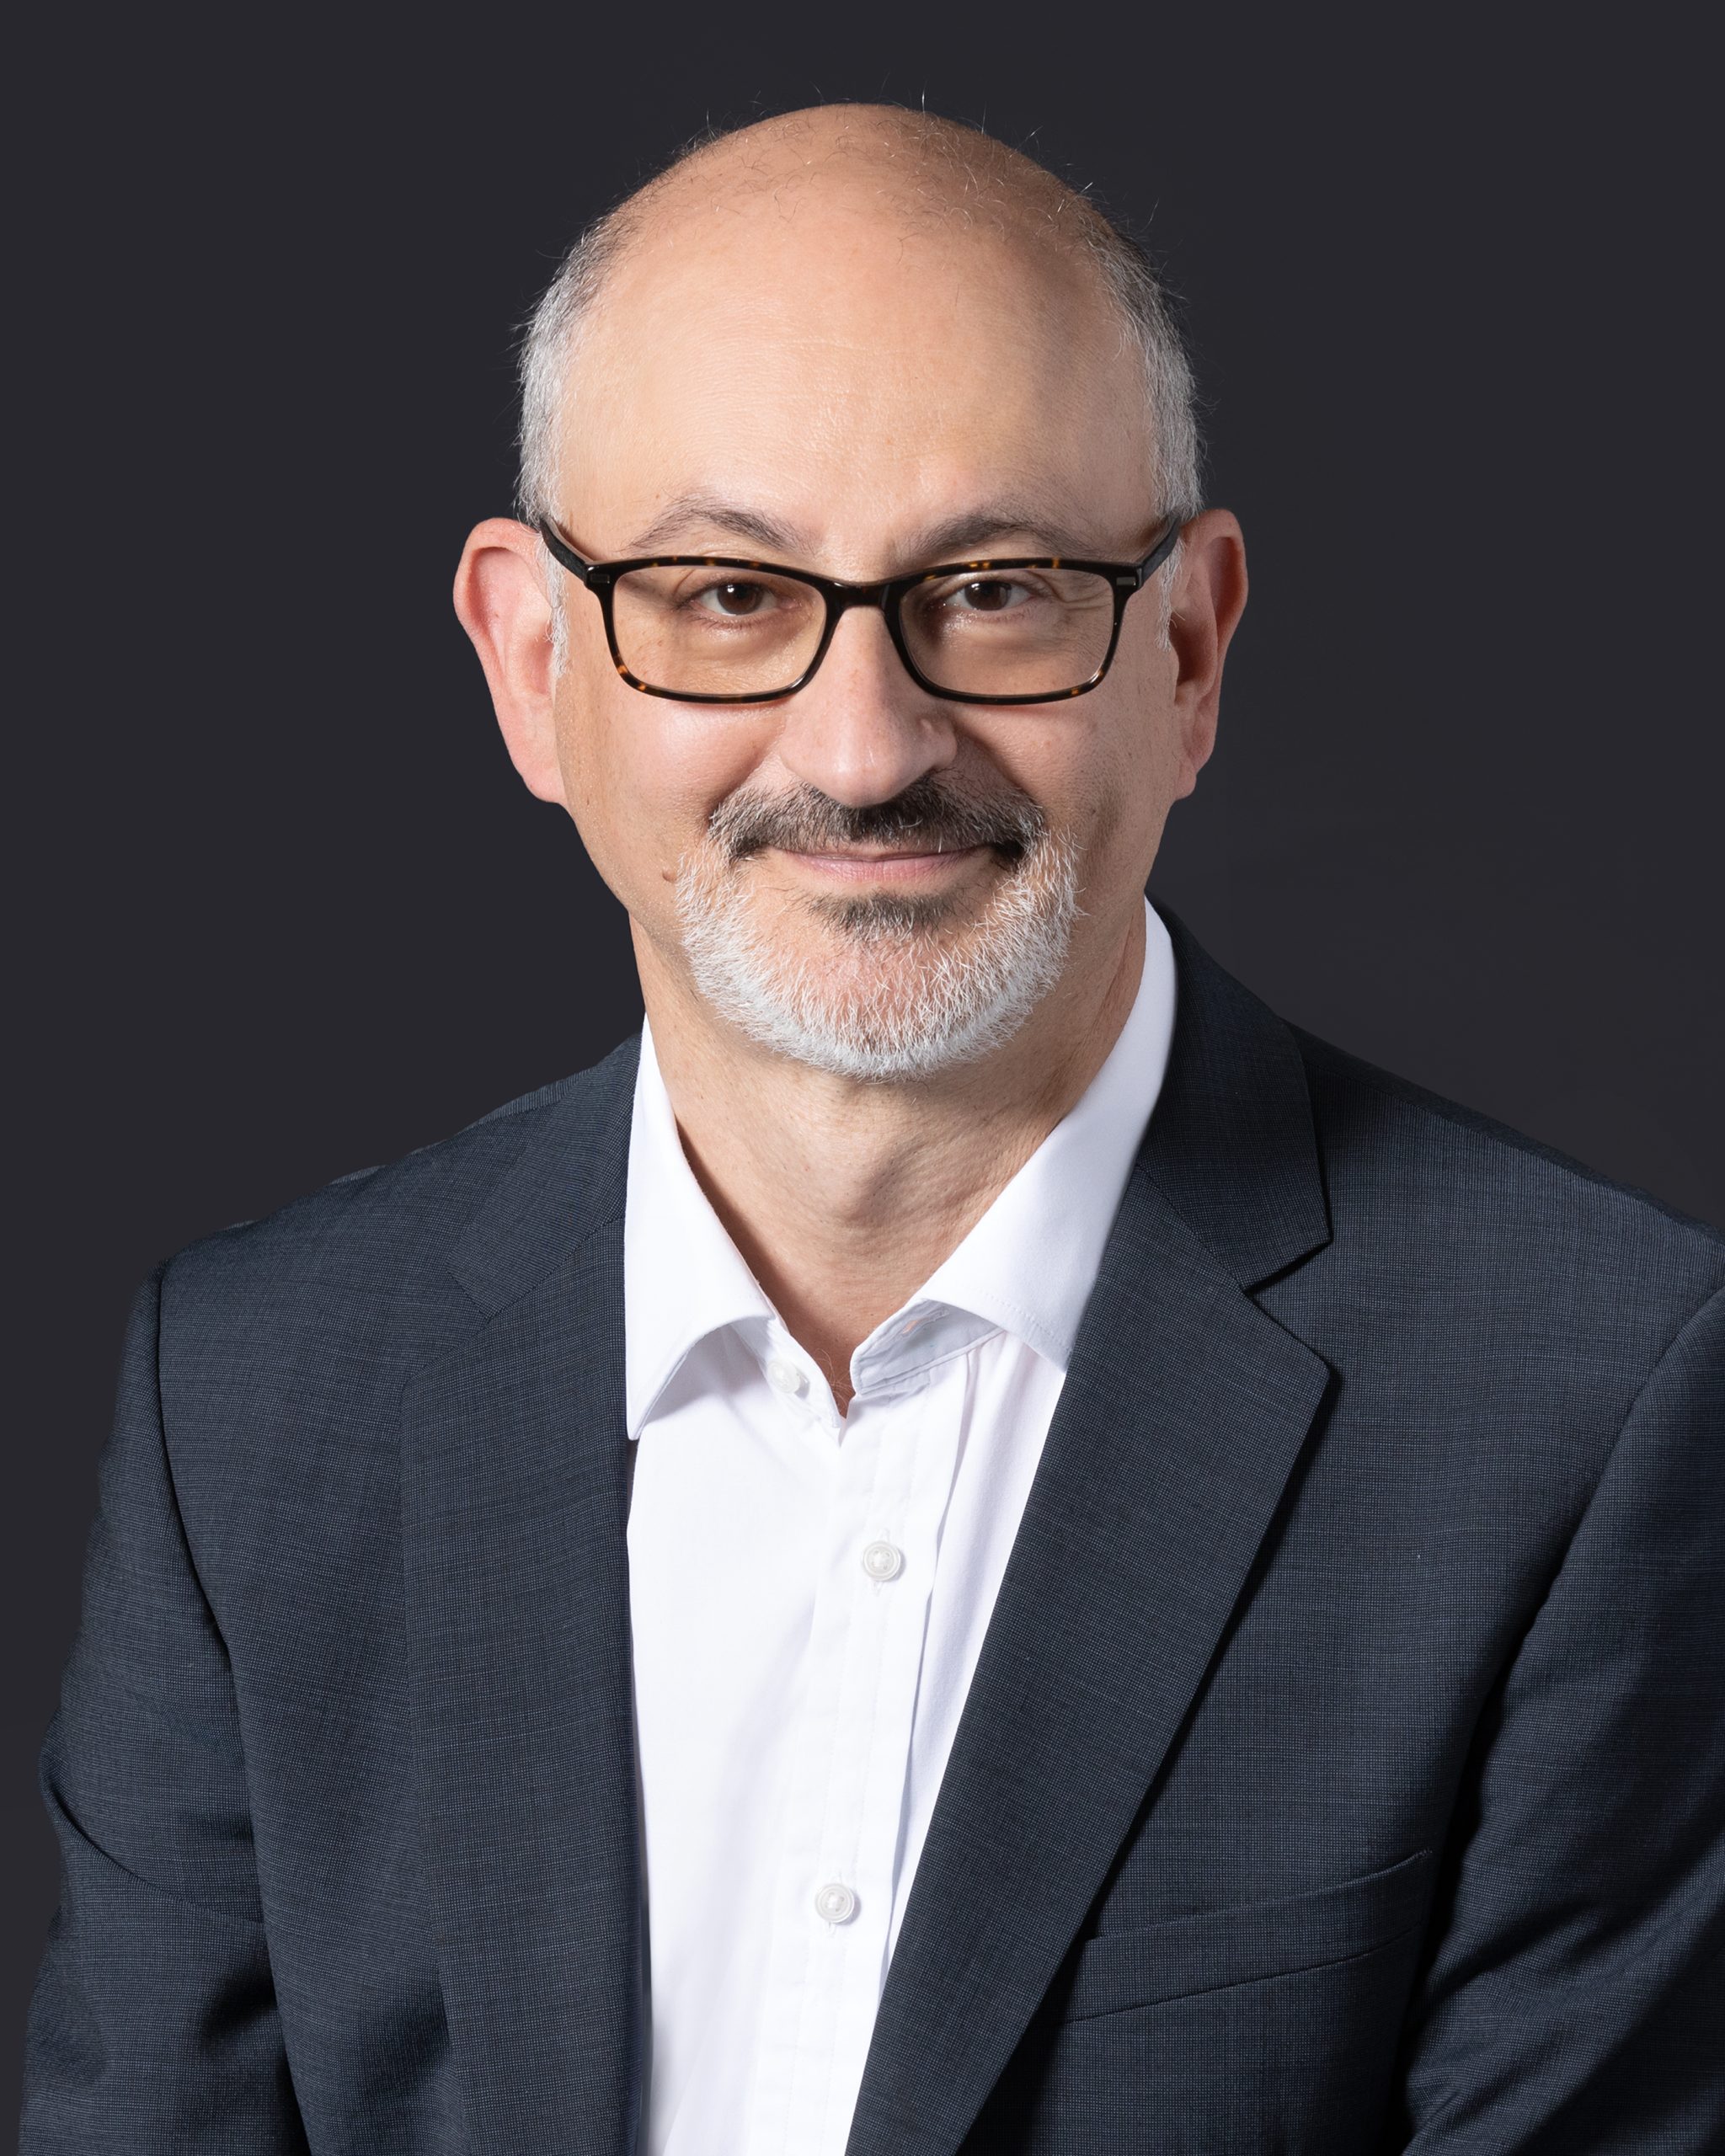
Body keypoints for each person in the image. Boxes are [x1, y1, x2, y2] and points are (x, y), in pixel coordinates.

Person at [20, 100, 1723, 2156]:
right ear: (533, 664)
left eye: (993, 589)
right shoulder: (252, 1392)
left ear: (1186, 651)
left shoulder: (1594, 1404)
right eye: (726, 593)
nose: (862, 745)